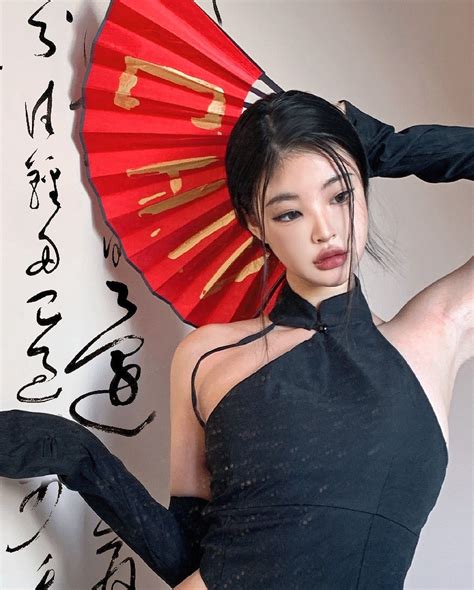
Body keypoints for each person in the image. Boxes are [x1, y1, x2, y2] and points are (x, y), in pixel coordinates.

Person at [1, 92, 472, 590]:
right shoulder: (208, 357)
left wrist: (391, 149)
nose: (325, 229)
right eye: (290, 213)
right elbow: (185, 551)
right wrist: (81, 458)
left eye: (341, 195)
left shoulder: (432, 334)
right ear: (256, 224)